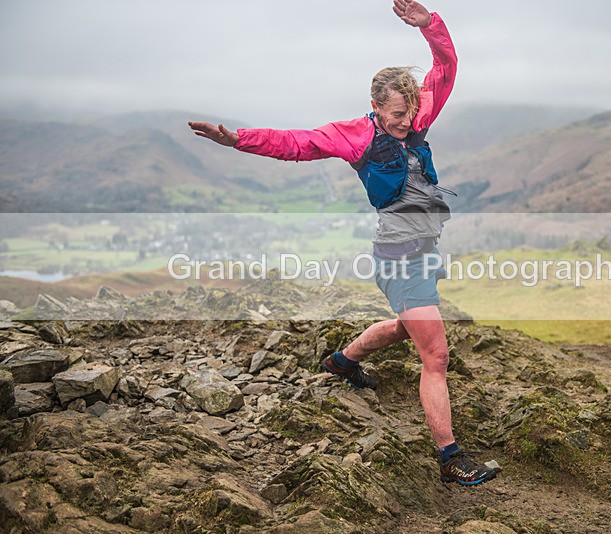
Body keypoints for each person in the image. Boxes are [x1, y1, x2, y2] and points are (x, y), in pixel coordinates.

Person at [189, 0, 496, 486]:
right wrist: (237, 139)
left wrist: (431, 25)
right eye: (396, 113)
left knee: (405, 327)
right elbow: (294, 143)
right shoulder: (353, 136)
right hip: (399, 256)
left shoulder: (418, 114)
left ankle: (341, 362)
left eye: (411, 112)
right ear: (376, 106)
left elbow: (447, 66)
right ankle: (451, 458)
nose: (406, 122)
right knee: (435, 355)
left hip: (423, 249)